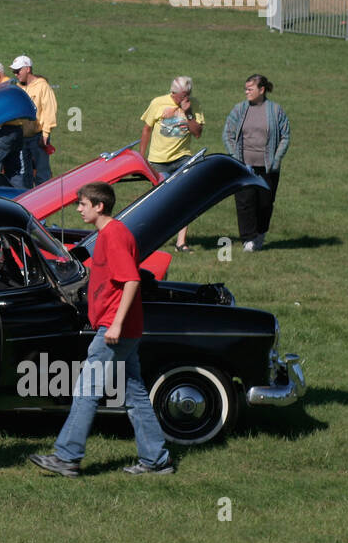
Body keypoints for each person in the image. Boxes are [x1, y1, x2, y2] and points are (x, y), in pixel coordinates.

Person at [29, 182, 173, 477]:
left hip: (115, 329)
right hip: (122, 327)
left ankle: (67, 457)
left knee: (86, 391)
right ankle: (156, 460)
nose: (79, 209)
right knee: (135, 395)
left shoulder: (113, 235)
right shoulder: (111, 233)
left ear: (99, 206)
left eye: (83, 204)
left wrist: (115, 323)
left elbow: (131, 280)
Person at [222, 74, 290, 252]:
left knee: (265, 203)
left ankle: (260, 234)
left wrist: (276, 159)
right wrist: (235, 156)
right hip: (244, 166)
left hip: (268, 167)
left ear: (262, 90)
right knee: (245, 202)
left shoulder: (276, 111)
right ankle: (248, 239)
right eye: (245, 89)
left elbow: (285, 136)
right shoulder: (239, 109)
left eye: (250, 89)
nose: (246, 92)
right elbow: (227, 133)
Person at [139, 75, 204, 251]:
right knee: (158, 201)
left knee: (185, 198)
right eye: (182, 95)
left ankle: (181, 243)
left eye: (188, 94)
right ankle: (152, 238)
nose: (185, 98)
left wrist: (189, 112)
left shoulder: (194, 104)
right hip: (158, 160)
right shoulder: (158, 103)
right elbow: (147, 129)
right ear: (173, 93)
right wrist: (141, 157)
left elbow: (197, 133)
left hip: (183, 157)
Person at [10, 55, 57, 188]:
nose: (15, 74)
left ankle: (46, 201)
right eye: (14, 71)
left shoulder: (42, 86)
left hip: (38, 136)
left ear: (28, 69)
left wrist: (46, 134)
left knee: (42, 173)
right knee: (24, 174)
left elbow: (50, 110)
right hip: (21, 137)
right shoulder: (17, 87)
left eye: (18, 70)